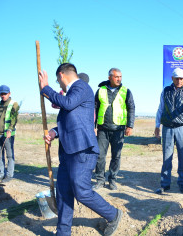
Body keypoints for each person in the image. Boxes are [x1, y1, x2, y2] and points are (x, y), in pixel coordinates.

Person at [39, 63, 122, 236]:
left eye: (57, 80)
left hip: (83, 151)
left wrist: (46, 88)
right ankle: (63, 232)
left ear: (62, 75)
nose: (59, 84)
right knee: (63, 193)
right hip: (68, 152)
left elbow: (67, 104)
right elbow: (71, 122)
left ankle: (113, 214)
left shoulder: (81, 87)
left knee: (82, 192)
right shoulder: (73, 93)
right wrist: (54, 132)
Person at [154, 68, 183, 195]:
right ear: (172, 78)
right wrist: (157, 125)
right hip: (167, 127)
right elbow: (160, 108)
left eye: (181, 78)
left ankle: (182, 183)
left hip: (182, 127)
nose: (179, 81)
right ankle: (165, 184)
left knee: (182, 157)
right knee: (167, 157)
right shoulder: (166, 91)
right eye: (177, 78)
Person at [92, 68, 135, 191]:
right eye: (116, 77)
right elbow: (94, 109)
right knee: (100, 155)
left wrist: (130, 126)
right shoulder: (100, 91)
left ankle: (112, 180)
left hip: (118, 129)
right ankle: (100, 180)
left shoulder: (126, 91)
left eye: (120, 77)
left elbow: (131, 108)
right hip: (102, 129)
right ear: (110, 77)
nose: (119, 79)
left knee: (116, 156)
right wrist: (92, 126)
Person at [0, 85, 20, 184]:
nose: (3, 95)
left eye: (5, 93)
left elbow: (14, 118)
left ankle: (9, 175)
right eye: (1, 94)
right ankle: (0, 174)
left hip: (7, 135)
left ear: (9, 93)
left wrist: (10, 129)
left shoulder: (14, 104)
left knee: (10, 156)